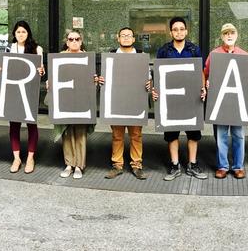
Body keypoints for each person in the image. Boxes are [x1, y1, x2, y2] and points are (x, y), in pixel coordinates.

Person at [154, 17, 208, 181]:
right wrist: (155, 91)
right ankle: (175, 164)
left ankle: (192, 164)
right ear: (171, 32)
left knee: (193, 133)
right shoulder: (164, 51)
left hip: (191, 98)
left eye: (181, 28)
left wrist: (203, 87)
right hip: (171, 100)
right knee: (172, 134)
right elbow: (158, 73)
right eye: (175, 29)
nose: (178, 31)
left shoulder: (194, 50)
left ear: (186, 31)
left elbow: (200, 72)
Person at [204, 23, 248, 180]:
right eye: (226, 33)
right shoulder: (214, 54)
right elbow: (205, 74)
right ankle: (223, 166)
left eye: (232, 33)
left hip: (237, 101)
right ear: (222, 36)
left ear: (236, 35)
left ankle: (238, 167)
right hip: (221, 101)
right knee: (221, 135)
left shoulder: (244, 55)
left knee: (239, 135)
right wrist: (207, 82)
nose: (229, 35)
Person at [102, 27, 149, 180]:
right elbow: (104, 77)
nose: (127, 38)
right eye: (123, 35)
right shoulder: (110, 57)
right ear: (118, 38)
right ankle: (117, 165)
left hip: (135, 100)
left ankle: (137, 165)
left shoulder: (141, 57)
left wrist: (149, 83)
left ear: (134, 39)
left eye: (129, 36)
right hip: (117, 101)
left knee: (136, 134)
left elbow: (147, 77)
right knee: (117, 135)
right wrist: (101, 80)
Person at [1, 21, 44, 174]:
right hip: (13, 90)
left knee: (31, 123)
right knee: (14, 124)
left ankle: (31, 158)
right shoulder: (9, 48)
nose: (21, 34)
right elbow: (3, 67)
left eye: (24, 32)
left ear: (28, 33)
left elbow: (41, 69)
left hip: (30, 90)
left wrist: (41, 71)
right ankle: (17, 158)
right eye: (18, 32)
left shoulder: (37, 49)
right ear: (14, 33)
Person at [54, 29, 95, 180]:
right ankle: (69, 164)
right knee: (67, 132)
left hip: (82, 100)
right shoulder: (59, 57)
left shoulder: (86, 58)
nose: (74, 42)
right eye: (71, 39)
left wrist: (95, 80)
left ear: (81, 41)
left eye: (77, 39)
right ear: (66, 42)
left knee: (80, 133)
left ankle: (79, 165)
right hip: (65, 99)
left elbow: (91, 79)